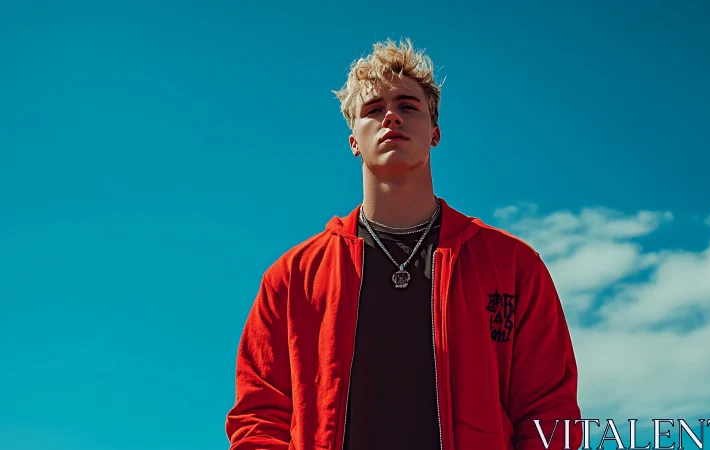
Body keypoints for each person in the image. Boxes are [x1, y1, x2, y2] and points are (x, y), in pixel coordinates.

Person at [225, 38, 583, 450]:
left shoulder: (513, 266)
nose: (391, 116)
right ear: (353, 141)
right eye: (374, 109)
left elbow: (549, 412)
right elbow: (260, 416)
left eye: (408, 106)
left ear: (435, 133)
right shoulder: (293, 278)